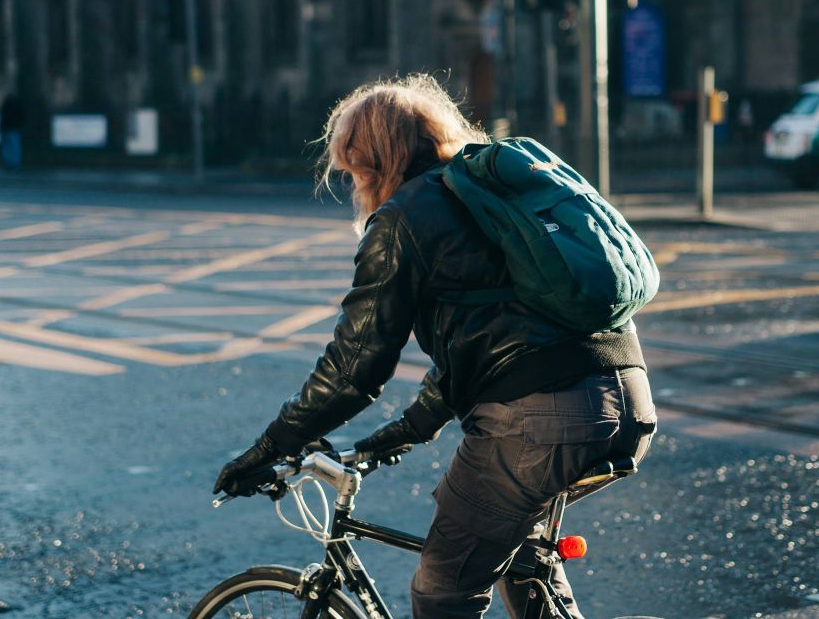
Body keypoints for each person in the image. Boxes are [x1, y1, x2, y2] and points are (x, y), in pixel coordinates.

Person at [213, 74, 658, 619]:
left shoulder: (403, 218)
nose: (354, 186)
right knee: (518, 558)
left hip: (542, 419)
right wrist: (399, 434)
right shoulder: (482, 196)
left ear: (374, 163)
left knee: (442, 592)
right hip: (625, 396)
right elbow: (489, 343)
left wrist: (269, 447)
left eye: (354, 171)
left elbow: (355, 366)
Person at [0, 93, 24, 171]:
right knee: (14, 146)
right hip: (13, 128)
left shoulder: (6, 106)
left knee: (8, 146)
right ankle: (14, 163)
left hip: (8, 128)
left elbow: (2, 117)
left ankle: (10, 162)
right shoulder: (16, 106)